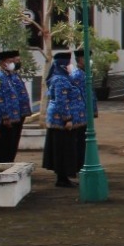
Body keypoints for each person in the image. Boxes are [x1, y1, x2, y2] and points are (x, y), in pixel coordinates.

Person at [41, 52, 84, 188]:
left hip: (63, 120)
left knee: (65, 149)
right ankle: (62, 178)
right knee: (63, 149)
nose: (71, 66)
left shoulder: (65, 77)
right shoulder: (59, 79)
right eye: (68, 63)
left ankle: (64, 177)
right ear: (63, 65)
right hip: (61, 121)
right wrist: (68, 119)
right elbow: (61, 101)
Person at [0, 50, 29, 162]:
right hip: (7, 118)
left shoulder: (10, 75)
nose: (13, 63)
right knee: (5, 145)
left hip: (16, 116)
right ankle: (3, 164)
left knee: (12, 145)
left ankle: (9, 163)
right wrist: (5, 116)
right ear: (2, 62)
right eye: (10, 61)